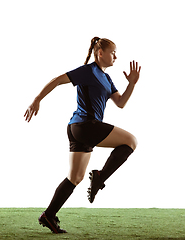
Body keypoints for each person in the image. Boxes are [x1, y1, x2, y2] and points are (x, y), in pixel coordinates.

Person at [24, 37, 141, 234]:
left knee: (75, 178)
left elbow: (120, 103)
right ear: (100, 53)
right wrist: (37, 99)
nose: (116, 56)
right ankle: (100, 176)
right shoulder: (88, 71)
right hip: (85, 126)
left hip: (78, 129)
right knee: (131, 141)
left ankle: (49, 215)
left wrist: (132, 84)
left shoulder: (107, 78)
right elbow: (58, 80)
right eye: (113, 52)